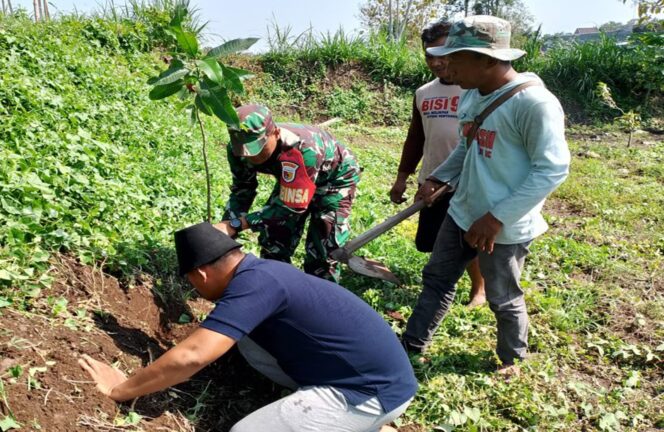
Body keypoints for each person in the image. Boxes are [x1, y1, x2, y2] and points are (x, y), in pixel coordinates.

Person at [79, 222, 417, 432]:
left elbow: (193, 355)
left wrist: (120, 389)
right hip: (373, 374)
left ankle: (363, 421)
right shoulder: (263, 271)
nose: (195, 291)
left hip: (370, 392)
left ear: (201, 274)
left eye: (192, 284)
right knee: (247, 342)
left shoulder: (256, 286)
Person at [401, 16, 570, 375]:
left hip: (502, 227)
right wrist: (437, 177)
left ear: (488, 60)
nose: (445, 66)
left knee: (503, 297)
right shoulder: (473, 95)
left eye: (456, 59)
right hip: (463, 210)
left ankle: (513, 359)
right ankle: (411, 345)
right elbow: (467, 147)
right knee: (436, 278)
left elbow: (551, 169)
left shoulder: (533, 104)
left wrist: (495, 218)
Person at [390, 20, 485, 307]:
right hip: (433, 178)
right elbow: (415, 137)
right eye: (429, 55)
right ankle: (444, 280)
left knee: (467, 238)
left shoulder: (476, 90)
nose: (436, 62)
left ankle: (479, 287)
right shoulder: (423, 93)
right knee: (430, 241)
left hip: (468, 181)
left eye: (443, 53)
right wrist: (402, 176)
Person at [215, 104, 361, 283]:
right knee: (274, 242)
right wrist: (226, 228)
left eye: (257, 147)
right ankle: (275, 290)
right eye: (243, 149)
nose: (250, 156)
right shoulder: (238, 150)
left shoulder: (303, 149)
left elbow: (291, 207)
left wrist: (239, 224)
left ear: (275, 133)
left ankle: (319, 302)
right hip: (293, 179)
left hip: (334, 179)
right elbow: (242, 189)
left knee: (323, 253)